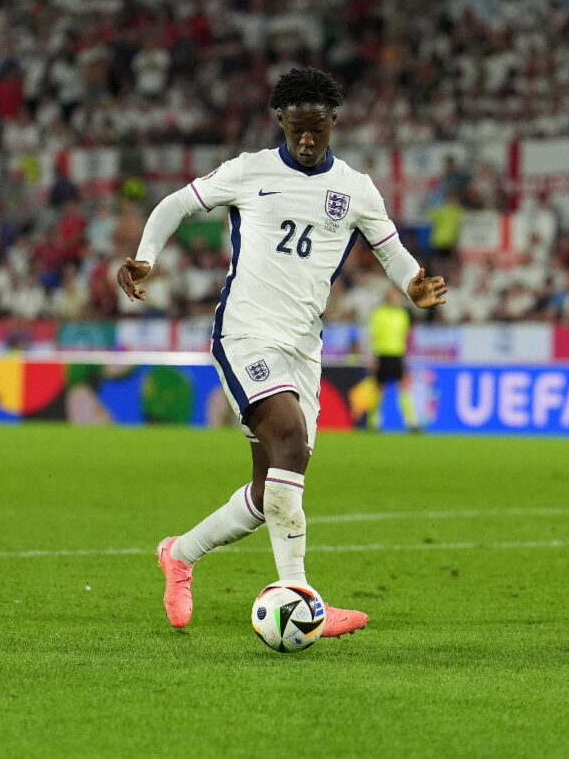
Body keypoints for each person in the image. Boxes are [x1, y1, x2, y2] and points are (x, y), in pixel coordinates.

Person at [116, 67, 447, 637]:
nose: (307, 138)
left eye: (317, 126)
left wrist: (414, 282)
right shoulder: (249, 171)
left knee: (272, 485)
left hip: (303, 347)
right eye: (297, 127)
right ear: (281, 121)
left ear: (333, 121)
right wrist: (146, 255)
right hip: (244, 333)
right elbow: (174, 205)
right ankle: (300, 595)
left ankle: (180, 553)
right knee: (290, 440)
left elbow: (390, 249)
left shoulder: (356, 188)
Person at [365, 286, 417, 431]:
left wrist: (406, 356)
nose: (396, 299)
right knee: (379, 389)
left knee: (403, 388)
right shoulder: (379, 313)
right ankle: (373, 422)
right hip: (382, 354)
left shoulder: (402, 314)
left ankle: (411, 422)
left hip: (398, 355)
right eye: (393, 296)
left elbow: (406, 337)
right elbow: (372, 335)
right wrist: (372, 356)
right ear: (388, 297)